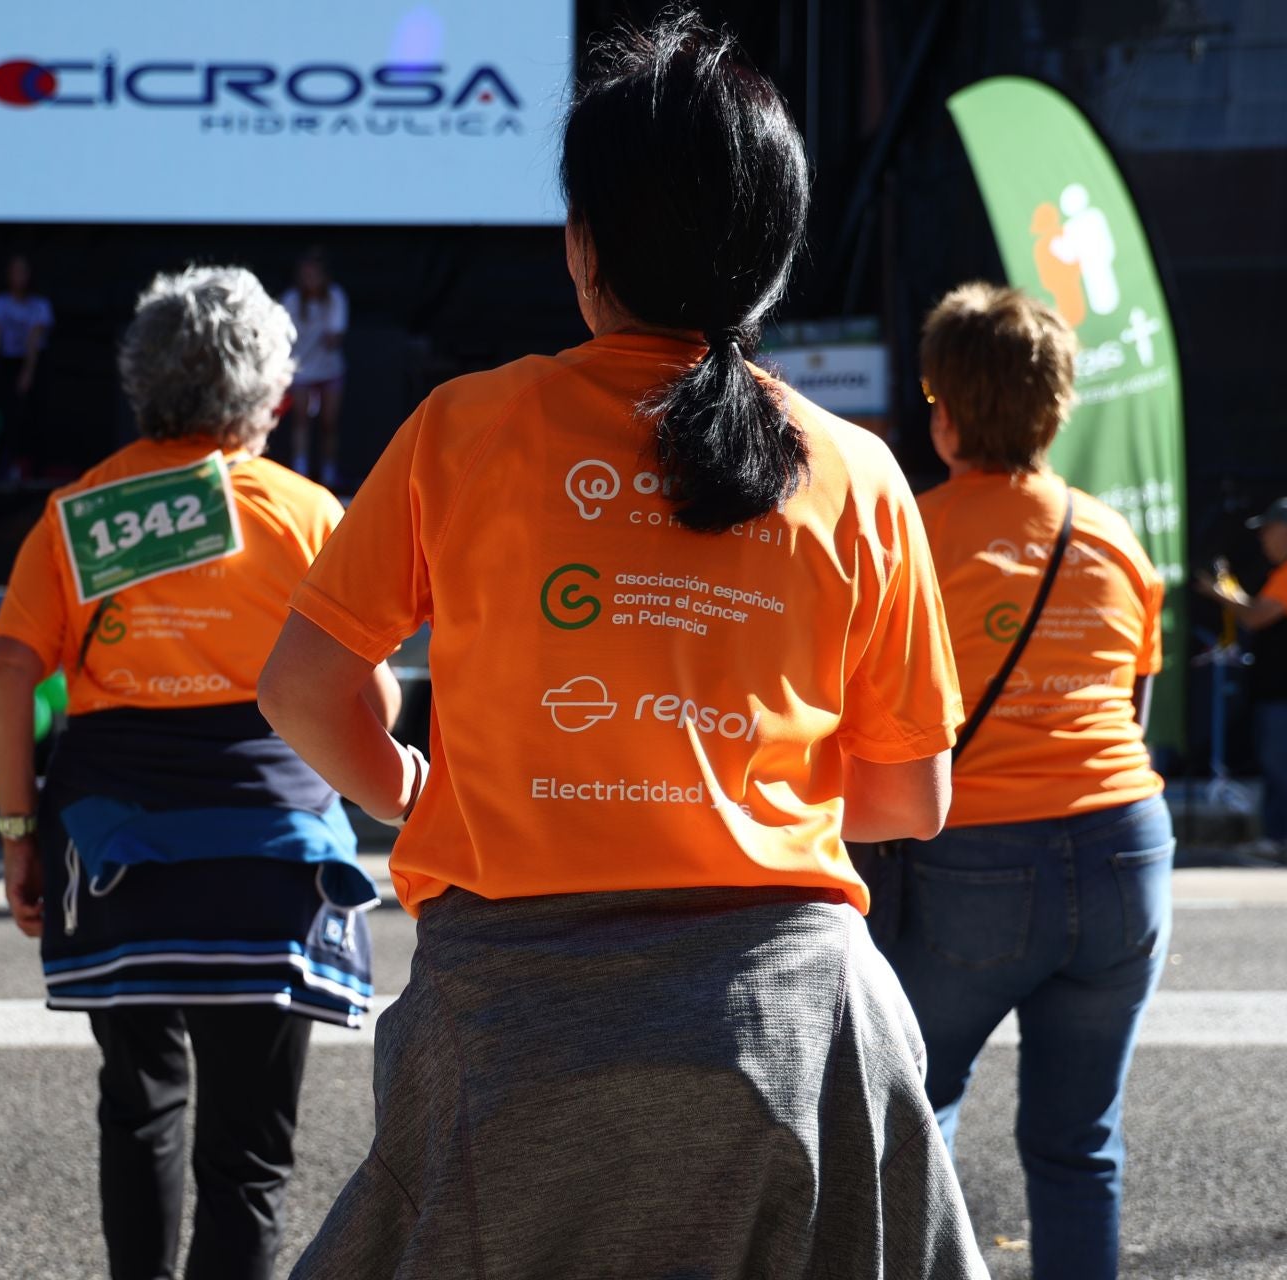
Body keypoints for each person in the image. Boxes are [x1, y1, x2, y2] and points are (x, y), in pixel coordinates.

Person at [259, 17, 986, 1277]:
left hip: (514, 1022)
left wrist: (412, 791)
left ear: (584, 246)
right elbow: (910, 798)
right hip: (801, 1027)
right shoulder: (858, 473)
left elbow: (305, 686)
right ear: (771, 253)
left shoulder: (463, 427)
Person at [0, 265, 399, 1280]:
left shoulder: (79, 510)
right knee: (248, 1161)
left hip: (113, 850)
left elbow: (5, 673)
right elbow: (375, 700)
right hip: (270, 856)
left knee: (138, 1106)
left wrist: (19, 831)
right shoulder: (308, 513)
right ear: (274, 396)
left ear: (139, 382)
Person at [884, 283, 1174, 1280]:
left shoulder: (908, 534)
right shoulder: (1115, 539)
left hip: (974, 857)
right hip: (1127, 845)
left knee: (916, 1116)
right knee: (1078, 1142)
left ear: (946, 409)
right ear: (1057, 406)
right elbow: (1134, 709)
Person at [1196, 496, 1287, 861]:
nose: (1263, 537)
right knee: (1275, 760)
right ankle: (1275, 837)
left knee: (1284, 760)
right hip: (1286, 685)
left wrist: (1217, 594)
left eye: (1269, 529)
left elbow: (1256, 616)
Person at [0, 254, 53, 476]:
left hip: (34, 362)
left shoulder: (40, 306)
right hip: (6, 363)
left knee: (33, 416)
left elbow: (34, 340)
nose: (18, 277)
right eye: (14, 271)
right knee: (3, 415)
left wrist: (28, 373)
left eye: (23, 271)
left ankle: (35, 471)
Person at [278, 249, 347, 486]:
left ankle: (329, 472)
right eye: (306, 274)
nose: (310, 279)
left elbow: (334, 338)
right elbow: (282, 336)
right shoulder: (291, 300)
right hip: (302, 371)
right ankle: (300, 471)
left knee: (329, 423)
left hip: (330, 371)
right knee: (300, 422)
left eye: (315, 274)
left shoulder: (335, 298)